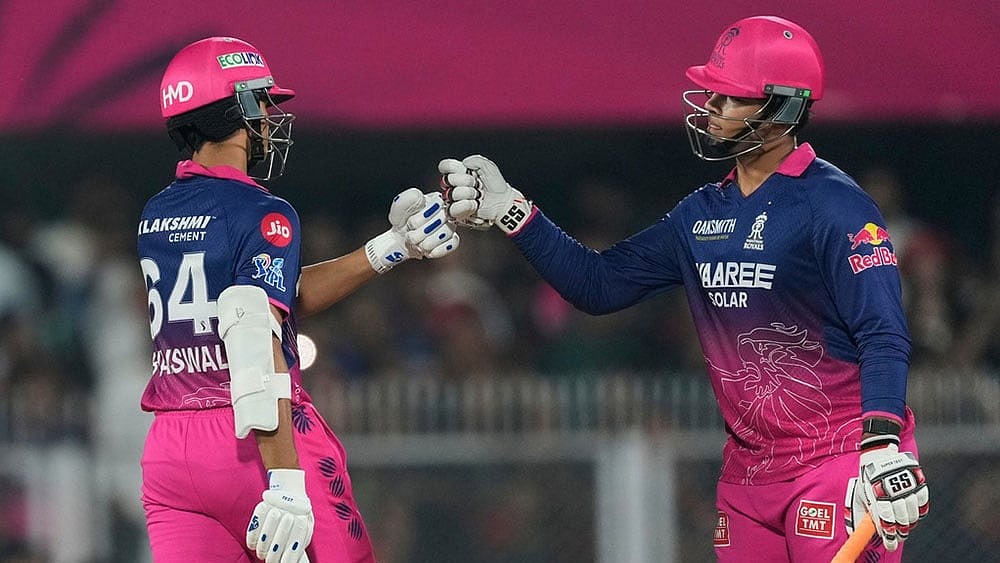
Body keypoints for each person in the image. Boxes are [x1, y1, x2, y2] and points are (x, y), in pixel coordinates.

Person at [438, 16, 929, 562]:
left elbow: (882, 331)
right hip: (749, 476)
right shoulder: (699, 214)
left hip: (837, 462)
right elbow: (599, 286)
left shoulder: (836, 207)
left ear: (781, 108)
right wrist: (515, 214)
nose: (711, 108)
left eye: (728, 97)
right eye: (712, 94)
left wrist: (882, 447)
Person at [139, 36, 459, 563]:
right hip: (253, 437)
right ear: (237, 106)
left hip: (170, 447)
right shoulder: (262, 211)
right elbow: (252, 333)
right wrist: (285, 479)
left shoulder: (156, 212)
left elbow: (275, 293)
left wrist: (390, 247)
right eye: (262, 101)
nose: (269, 116)